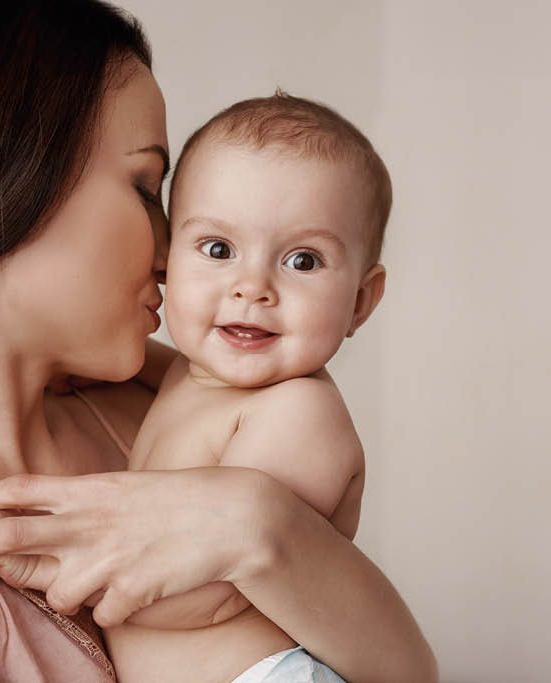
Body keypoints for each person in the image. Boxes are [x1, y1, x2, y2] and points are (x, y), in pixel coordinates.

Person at [0, 1, 436, 682]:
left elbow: (411, 673)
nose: (173, 252)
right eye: (146, 188)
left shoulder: (163, 400)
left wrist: (260, 527)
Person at [100, 93, 390, 683]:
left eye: (303, 261)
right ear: (165, 260)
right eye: (218, 249)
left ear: (360, 301)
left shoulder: (298, 415)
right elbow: (158, 370)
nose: (252, 286)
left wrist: (79, 572)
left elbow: (204, 592)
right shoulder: (194, 374)